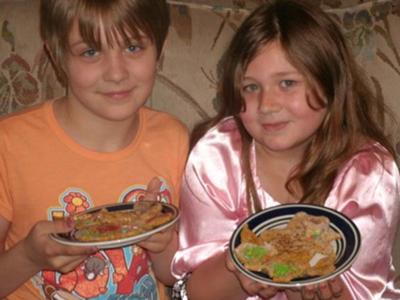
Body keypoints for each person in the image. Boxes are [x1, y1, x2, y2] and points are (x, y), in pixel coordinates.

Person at [171, 0, 400, 299]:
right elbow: (198, 290)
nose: (267, 105)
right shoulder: (216, 158)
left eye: (287, 83)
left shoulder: (369, 174)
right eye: (251, 87)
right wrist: (238, 272)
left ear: (331, 84)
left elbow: (368, 291)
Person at [0, 0, 189, 299]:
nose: (116, 73)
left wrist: (163, 244)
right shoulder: (8, 144)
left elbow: (172, 276)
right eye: (90, 51)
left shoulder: (174, 140)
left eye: (133, 47)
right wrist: (28, 256)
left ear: (160, 49)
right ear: (58, 56)